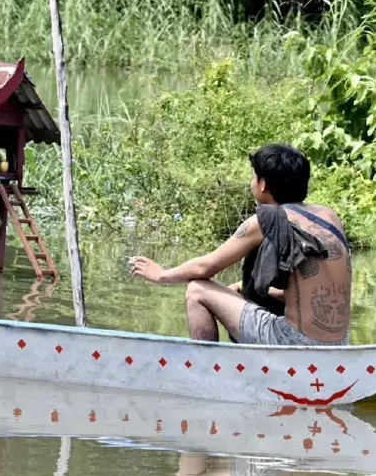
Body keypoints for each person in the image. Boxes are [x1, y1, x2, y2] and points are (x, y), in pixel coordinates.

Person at [130, 144, 350, 345]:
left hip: (293, 343)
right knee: (247, 289)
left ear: (263, 184)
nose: (251, 182)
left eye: (254, 177)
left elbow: (205, 267)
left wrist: (161, 275)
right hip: (338, 346)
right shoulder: (329, 217)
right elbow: (313, 292)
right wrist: (244, 289)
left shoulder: (268, 219)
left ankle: (206, 370)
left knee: (197, 289)